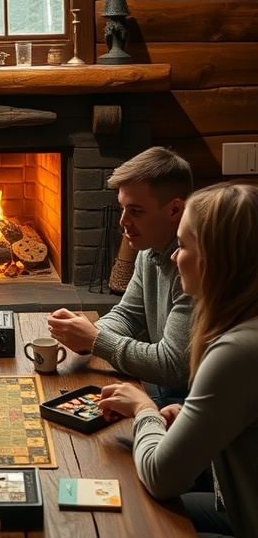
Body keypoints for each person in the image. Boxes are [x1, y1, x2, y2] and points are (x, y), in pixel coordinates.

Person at [97, 182, 258, 538]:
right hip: (236, 509)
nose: (173, 257)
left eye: (184, 246)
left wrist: (145, 408)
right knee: (130, 513)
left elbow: (164, 477)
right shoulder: (243, 325)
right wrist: (185, 418)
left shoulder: (237, 351)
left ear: (218, 259)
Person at [48, 146, 193, 405]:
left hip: (185, 401)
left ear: (174, 210)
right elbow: (127, 315)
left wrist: (95, 339)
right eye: (122, 209)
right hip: (162, 388)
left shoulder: (194, 268)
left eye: (136, 211)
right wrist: (84, 336)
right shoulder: (150, 251)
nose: (123, 221)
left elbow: (173, 366)